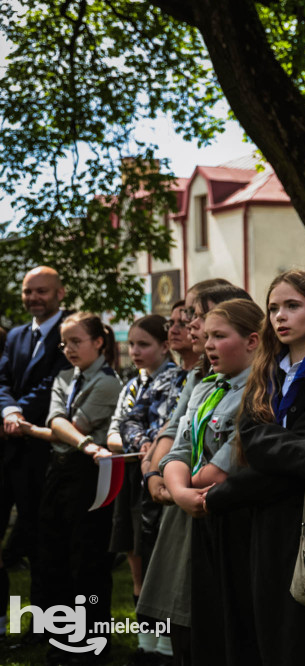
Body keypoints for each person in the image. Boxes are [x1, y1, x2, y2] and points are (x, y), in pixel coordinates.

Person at [204, 269, 305, 665]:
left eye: (292, 306)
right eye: (273, 308)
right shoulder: (266, 371)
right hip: (262, 519)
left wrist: (224, 493)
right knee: (261, 629)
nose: (279, 317)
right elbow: (255, 441)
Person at [136, 281, 247, 665]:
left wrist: (176, 484)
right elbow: (175, 430)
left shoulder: (250, 384)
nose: (193, 325)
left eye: (198, 316)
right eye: (195, 318)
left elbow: (228, 455)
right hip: (183, 494)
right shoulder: (204, 380)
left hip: (209, 502)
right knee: (184, 613)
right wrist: (156, 475)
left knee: (211, 620)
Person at [162, 298, 262, 665]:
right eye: (206, 337)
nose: (206, 346)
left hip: (238, 516)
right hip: (199, 510)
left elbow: (224, 467)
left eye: (219, 336)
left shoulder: (260, 389)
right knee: (205, 617)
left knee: (238, 621)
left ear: (252, 341)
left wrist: (188, 483)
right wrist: (180, 492)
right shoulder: (206, 388)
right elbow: (179, 449)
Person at [17, 312, 121, 663]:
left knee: (87, 558)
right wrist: (60, 431)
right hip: (59, 469)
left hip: (89, 473)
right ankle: (63, 636)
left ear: (99, 342)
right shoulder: (65, 376)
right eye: (64, 343)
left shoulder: (107, 382)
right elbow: (56, 421)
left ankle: (93, 639)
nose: (69, 349)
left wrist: (40, 430)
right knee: (53, 554)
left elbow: (67, 424)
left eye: (76, 341)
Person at [0, 266, 70, 640]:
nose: (33, 298)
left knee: (42, 542)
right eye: (29, 291)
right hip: (9, 450)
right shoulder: (14, 336)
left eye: (42, 291)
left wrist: (18, 415)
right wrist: (8, 411)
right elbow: (2, 380)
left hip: (43, 453)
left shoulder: (71, 334)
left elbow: (51, 385)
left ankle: (43, 624)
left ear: (60, 294)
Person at [107, 314, 176, 665]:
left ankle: (164, 646)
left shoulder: (173, 380)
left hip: (158, 480)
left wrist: (149, 445)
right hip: (133, 477)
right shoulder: (135, 382)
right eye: (131, 344)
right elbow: (122, 425)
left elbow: (169, 427)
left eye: (143, 344)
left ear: (165, 346)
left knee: (156, 563)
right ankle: (145, 641)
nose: (134, 351)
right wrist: (144, 442)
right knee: (136, 561)